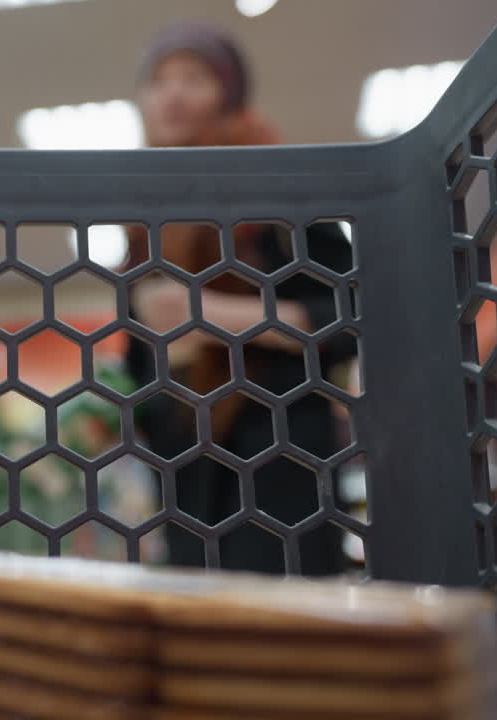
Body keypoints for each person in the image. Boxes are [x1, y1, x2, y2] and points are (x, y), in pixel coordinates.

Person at [124, 20, 355, 576]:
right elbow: (137, 363)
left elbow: (346, 319)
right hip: (187, 474)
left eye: (193, 78)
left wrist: (208, 315)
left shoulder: (282, 194)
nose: (172, 94)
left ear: (229, 94)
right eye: (159, 81)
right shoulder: (142, 220)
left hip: (282, 461)